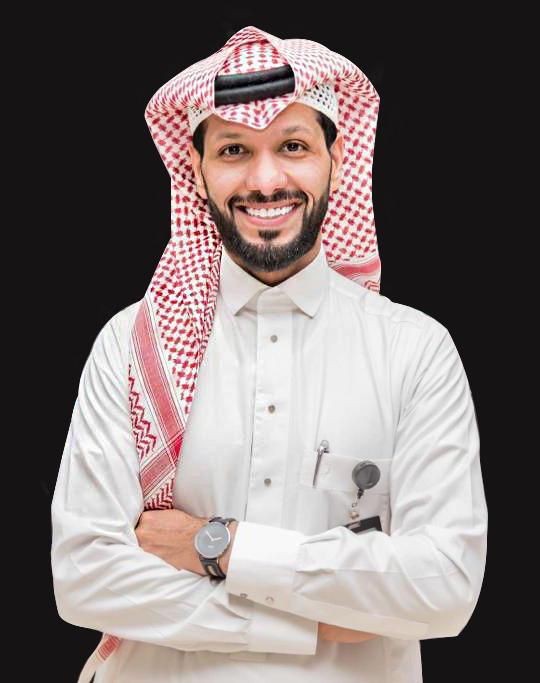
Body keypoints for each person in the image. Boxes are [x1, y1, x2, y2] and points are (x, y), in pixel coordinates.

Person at [51, 26, 488, 683]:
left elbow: (444, 585)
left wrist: (217, 545)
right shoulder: (131, 345)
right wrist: (309, 621)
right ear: (196, 167)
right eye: (233, 149)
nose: (265, 179)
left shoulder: (414, 351)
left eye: (292, 146)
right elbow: (84, 576)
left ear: (335, 156)